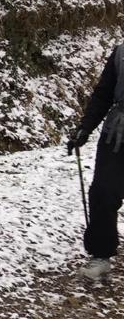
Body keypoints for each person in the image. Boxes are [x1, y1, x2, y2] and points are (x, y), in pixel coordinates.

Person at [66, 40, 124, 280]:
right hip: (116, 134)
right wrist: (85, 128)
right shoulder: (121, 53)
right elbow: (103, 94)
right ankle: (101, 255)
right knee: (103, 191)